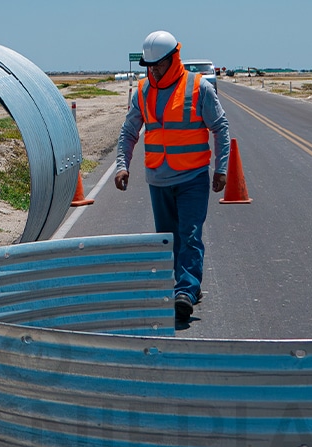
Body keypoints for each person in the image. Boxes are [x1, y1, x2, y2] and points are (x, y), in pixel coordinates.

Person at [113, 30, 230, 322]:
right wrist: (121, 165)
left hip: (192, 177)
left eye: (158, 65)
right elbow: (129, 131)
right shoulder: (142, 91)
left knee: (189, 234)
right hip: (158, 178)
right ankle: (186, 287)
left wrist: (222, 168)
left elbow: (220, 128)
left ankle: (185, 292)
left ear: (173, 58)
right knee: (168, 239)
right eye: (149, 66)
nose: (153, 71)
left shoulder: (199, 88)